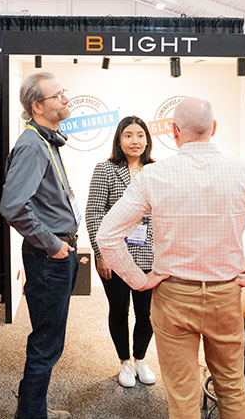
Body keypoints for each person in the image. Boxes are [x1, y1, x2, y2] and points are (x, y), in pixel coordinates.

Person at [95, 97, 245, 419]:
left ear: (174, 131)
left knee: (182, 394)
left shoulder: (153, 175)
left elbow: (107, 235)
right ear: (214, 128)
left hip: (173, 295)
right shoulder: (244, 172)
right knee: (232, 387)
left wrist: (139, 280)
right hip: (225, 294)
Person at [0, 72, 79, 419]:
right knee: (47, 343)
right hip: (50, 257)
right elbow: (13, 206)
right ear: (37, 106)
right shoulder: (32, 145)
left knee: (48, 338)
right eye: (58, 95)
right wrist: (51, 244)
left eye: (64, 92)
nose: (66, 99)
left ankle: (34, 409)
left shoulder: (47, 140)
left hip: (56, 254)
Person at [86, 116, 157, 388]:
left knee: (146, 312)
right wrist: (100, 253)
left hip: (149, 254)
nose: (134, 141)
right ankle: (124, 362)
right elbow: (94, 213)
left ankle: (140, 359)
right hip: (114, 254)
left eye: (140, 135)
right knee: (119, 310)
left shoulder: (155, 170)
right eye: (128, 135)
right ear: (119, 139)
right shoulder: (105, 169)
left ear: (147, 140)